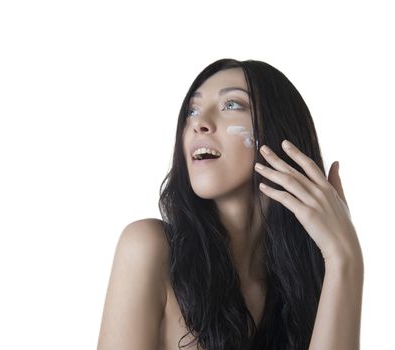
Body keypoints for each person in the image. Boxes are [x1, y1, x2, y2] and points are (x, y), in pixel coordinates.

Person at [97, 58, 364, 350]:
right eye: (192, 111)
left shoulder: (306, 282)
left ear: (279, 132)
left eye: (232, 105)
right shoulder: (149, 248)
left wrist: (343, 258)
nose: (198, 122)